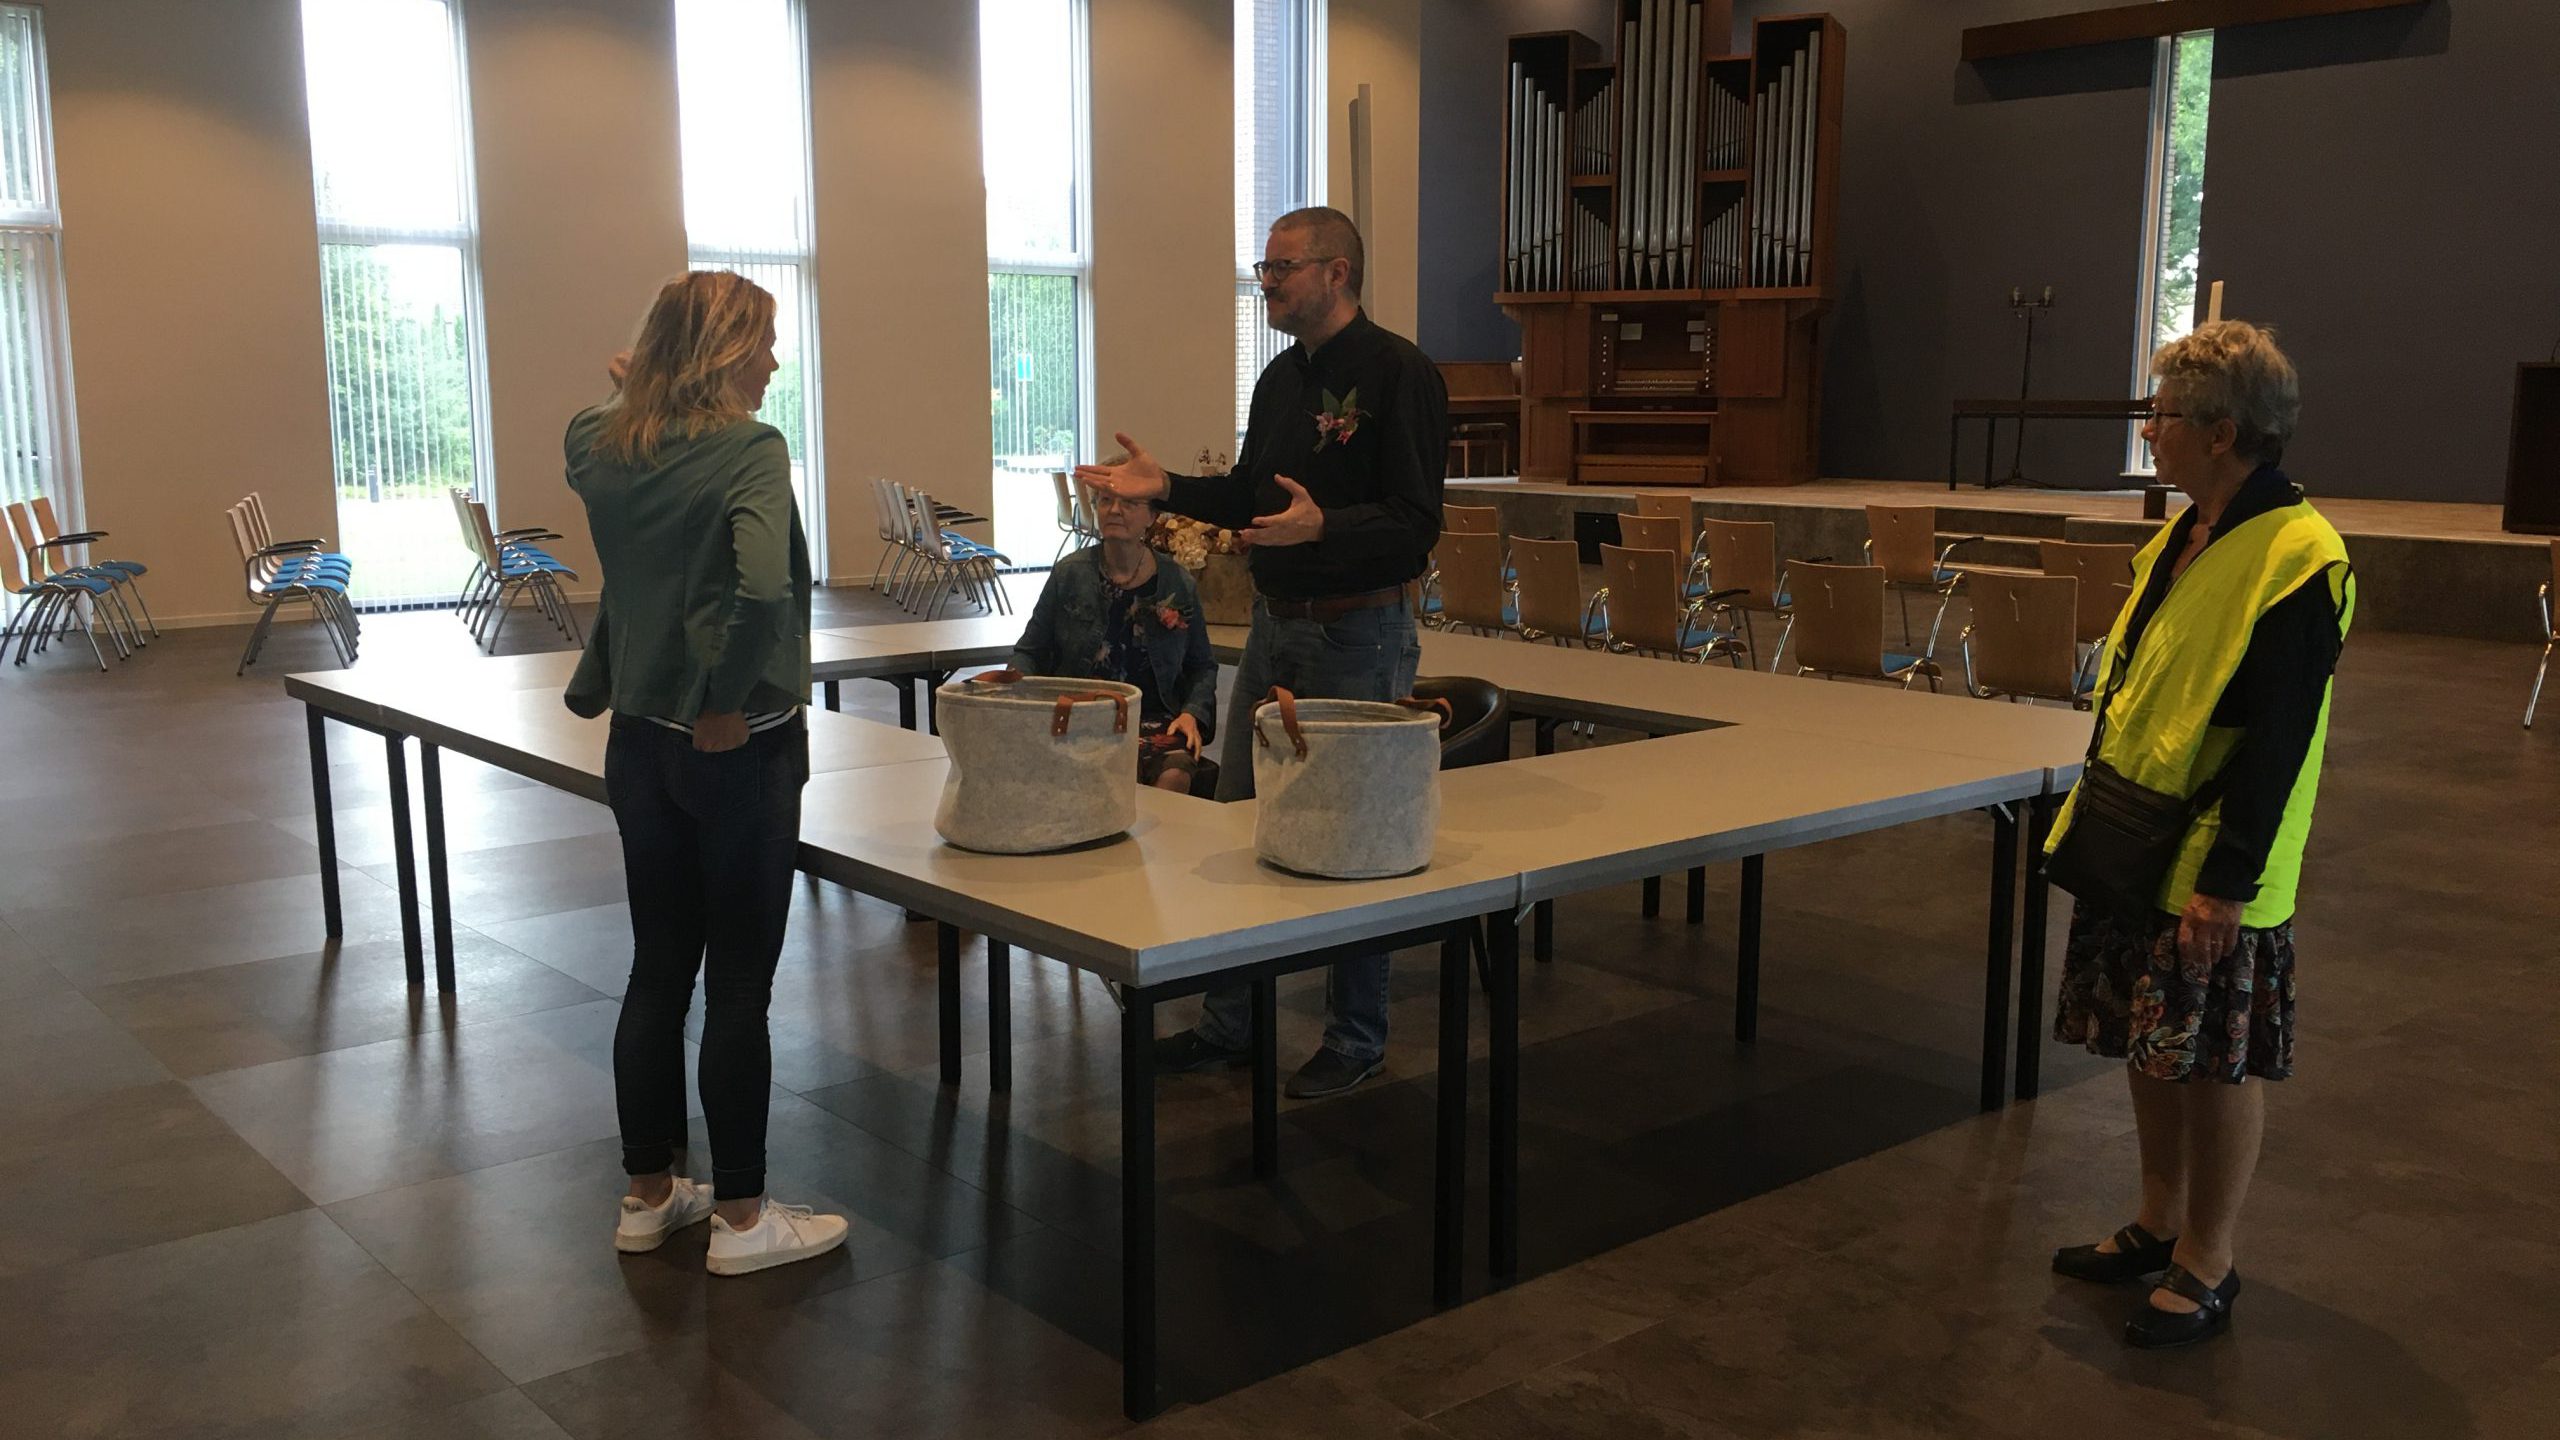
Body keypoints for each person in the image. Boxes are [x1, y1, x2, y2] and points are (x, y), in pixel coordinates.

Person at [1076, 205, 1448, 1099]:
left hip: (1360, 628)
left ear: (1337, 272)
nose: (1267, 282)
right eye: (1265, 267)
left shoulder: (1399, 371)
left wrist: (1327, 527)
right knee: (1241, 816)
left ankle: (1356, 1038)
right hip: (1279, 625)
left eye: (1283, 267)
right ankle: (1230, 1023)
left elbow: (1416, 522)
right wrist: (1169, 487)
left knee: (1350, 832)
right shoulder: (1282, 377)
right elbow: (1248, 493)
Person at [2044, 320, 2353, 1347]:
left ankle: (2208, 1259)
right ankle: (2156, 1220)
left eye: (2163, 415)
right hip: (2137, 829)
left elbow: (2278, 740)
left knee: (2214, 1061)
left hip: (2214, 856)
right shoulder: (2184, 535)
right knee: (2150, 1039)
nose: (2149, 430)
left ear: (2221, 432)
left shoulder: (2297, 555)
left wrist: (2227, 881)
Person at [565, 270, 848, 1275]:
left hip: (638, 739)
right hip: (736, 744)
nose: (773, 360)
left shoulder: (595, 442)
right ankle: (740, 1216)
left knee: (656, 970)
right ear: (724, 352)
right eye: (761, 342)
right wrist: (726, 696)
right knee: (736, 985)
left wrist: (633, 385)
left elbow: (606, 414)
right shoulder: (750, 449)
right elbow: (764, 586)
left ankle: (649, 1197)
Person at [1007, 486, 1218, 791]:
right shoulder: (1069, 573)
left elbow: (1202, 666)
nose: (1114, 510)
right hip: (1078, 713)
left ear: (1152, 516)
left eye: (1129, 502)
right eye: (1105, 500)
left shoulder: (1178, 582)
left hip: (1153, 716)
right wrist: (1014, 691)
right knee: (1091, 768)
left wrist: (1191, 714)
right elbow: (1030, 651)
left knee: (1175, 773)